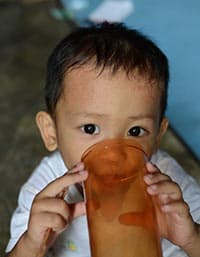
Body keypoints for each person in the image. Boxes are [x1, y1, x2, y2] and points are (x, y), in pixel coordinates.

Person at [5, 22, 200, 257]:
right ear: (51, 132)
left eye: (136, 131)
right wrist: (31, 245)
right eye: (90, 128)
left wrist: (191, 237)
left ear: (158, 134)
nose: (114, 154)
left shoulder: (167, 185)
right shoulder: (45, 190)